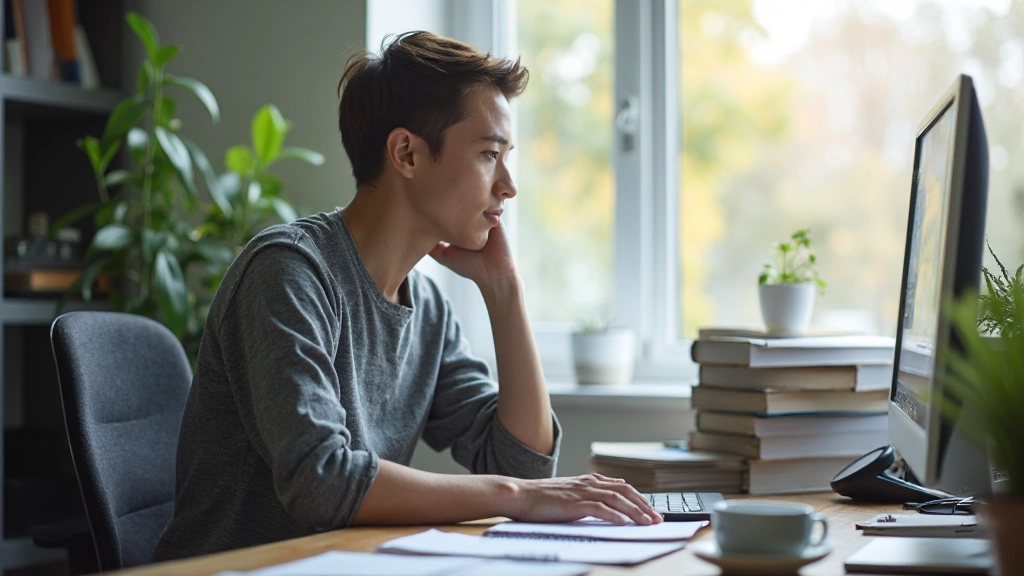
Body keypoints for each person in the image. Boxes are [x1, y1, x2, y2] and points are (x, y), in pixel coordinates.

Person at [154, 30, 660, 561]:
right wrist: (516, 498)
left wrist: (505, 291)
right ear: (406, 153)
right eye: (490, 154)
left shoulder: (427, 309)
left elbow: (522, 464)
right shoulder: (288, 273)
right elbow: (322, 480)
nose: (509, 184)